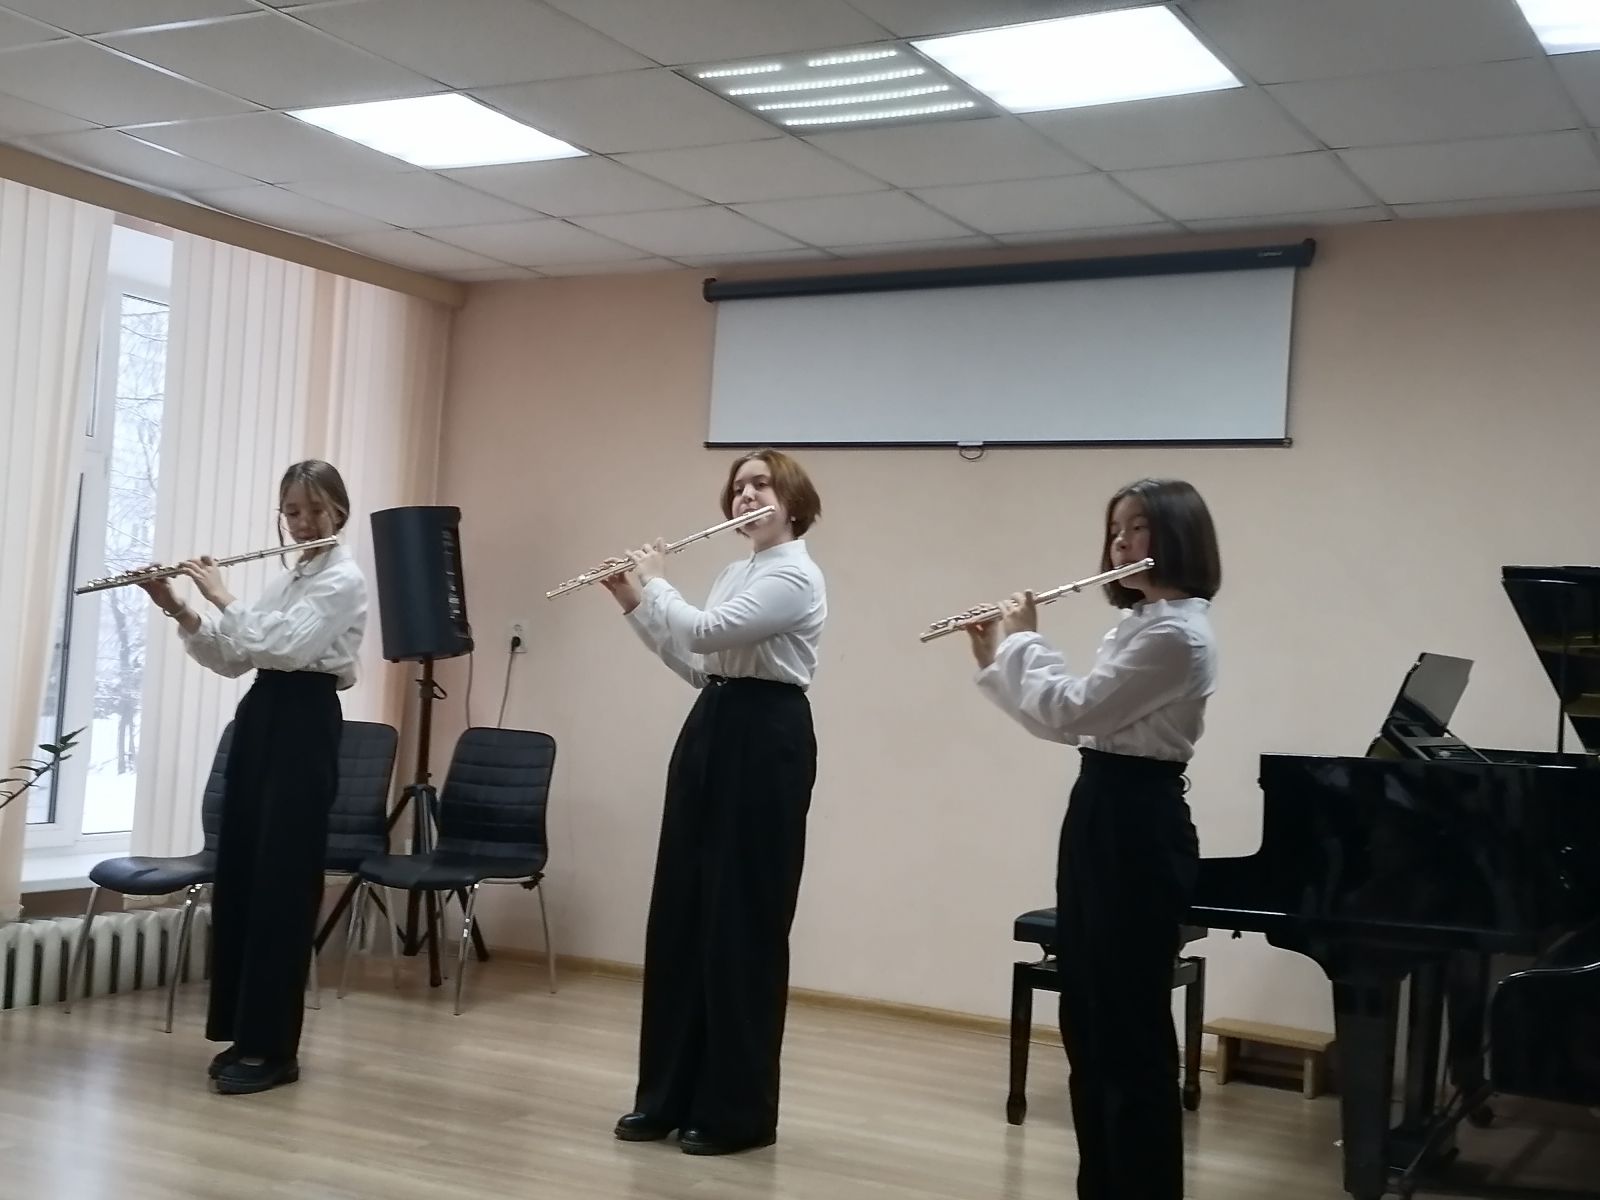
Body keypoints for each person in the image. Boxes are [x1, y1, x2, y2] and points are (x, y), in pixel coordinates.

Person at [966, 477, 1220, 1200]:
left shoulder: (1176, 636)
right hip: (1103, 809)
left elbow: (1075, 707)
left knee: (1129, 1033)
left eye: (1137, 527)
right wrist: (994, 658)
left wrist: (1023, 638)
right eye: (1115, 529)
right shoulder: (1141, 625)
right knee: (1089, 1022)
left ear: (1176, 536)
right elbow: (1064, 724)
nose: (1119, 542)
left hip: (1136, 823)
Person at [601, 448, 826, 1156]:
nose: (745, 495)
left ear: (792, 500)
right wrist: (634, 602)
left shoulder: (795, 573)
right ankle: (666, 1097)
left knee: (742, 922)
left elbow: (702, 629)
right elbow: (699, 663)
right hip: (715, 725)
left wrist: (657, 580)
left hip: (767, 738)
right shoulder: (736, 572)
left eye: (760, 484)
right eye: (737, 487)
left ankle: (737, 1112)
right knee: (682, 913)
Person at [139, 459, 367, 1096]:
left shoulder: (344, 579)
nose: (303, 523)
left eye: (315, 510)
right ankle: (246, 1033)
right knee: (244, 871)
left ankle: (275, 1050)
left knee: (283, 880)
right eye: (292, 511)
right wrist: (179, 608)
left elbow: (288, 647)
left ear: (339, 511)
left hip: (305, 718)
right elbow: (236, 656)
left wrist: (220, 594)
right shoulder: (289, 578)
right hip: (263, 710)